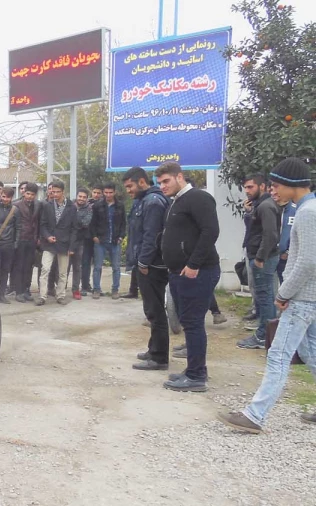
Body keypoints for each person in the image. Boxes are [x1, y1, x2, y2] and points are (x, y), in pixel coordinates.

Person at [218, 158, 316, 433]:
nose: (272, 190)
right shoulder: (307, 208)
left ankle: (255, 415)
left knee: (278, 355)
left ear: (292, 184)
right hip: (309, 297)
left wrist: (284, 292)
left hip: (302, 299)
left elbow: (308, 261)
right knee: (311, 352)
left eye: (276, 185)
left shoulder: (308, 212)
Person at [156, 161, 220, 393]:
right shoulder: (177, 202)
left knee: (193, 323)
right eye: (160, 183)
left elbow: (210, 231)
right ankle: (193, 369)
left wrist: (194, 264)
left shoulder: (198, 198)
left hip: (198, 272)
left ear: (179, 177)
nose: (162, 186)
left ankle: (196, 375)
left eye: (166, 181)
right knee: (188, 323)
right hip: (178, 273)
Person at [122, 167, 170, 371]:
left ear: (142, 182)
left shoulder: (153, 202)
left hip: (151, 266)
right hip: (144, 263)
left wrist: (143, 262)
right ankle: (154, 350)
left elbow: (152, 236)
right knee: (151, 310)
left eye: (130, 186)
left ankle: (159, 358)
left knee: (155, 311)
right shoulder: (142, 200)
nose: (128, 191)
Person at [237, 174, 281, 350]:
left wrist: (261, 258)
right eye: (245, 187)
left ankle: (264, 336)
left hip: (264, 257)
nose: (247, 191)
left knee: (265, 297)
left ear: (262, 186)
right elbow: (255, 230)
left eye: (250, 187)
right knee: (264, 296)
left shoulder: (266, 206)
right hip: (259, 255)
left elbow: (270, 235)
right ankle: (265, 333)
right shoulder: (259, 205)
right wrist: (248, 213)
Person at [37, 181, 78, 305]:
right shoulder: (48, 205)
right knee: (45, 269)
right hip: (49, 244)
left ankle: (60, 295)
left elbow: (74, 229)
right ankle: (42, 296)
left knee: (63, 272)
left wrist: (71, 247)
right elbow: (42, 224)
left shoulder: (71, 207)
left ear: (63, 192)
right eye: (52, 191)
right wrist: (48, 236)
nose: (54, 194)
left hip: (64, 244)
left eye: (57, 192)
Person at [91, 183, 126, 300]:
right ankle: (96, 289)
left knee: (116, 267)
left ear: (114, 192)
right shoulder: (97, 205)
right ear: (103, 192)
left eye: (110, 192)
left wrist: (121, 236)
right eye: (106, 192)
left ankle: (115, 290)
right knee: (97, 267)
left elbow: (123, 223)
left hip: (115, 241)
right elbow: (93, 223)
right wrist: (94, 236)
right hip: (100, 240)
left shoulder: (120, 206)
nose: (108, 195)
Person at [11, 183, 41, 302]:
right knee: (19, 266)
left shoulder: (38, 205)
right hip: (20, 239)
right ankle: (18, 292)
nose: (29, 196)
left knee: (29, 266)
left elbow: (37, 222)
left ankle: (26, 290)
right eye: (28, 193)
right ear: (24, 193)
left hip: (32, 240)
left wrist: (37, 237)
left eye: (32, 194)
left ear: (35, 195)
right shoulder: (16, 205)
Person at [71, 188, 93, 300]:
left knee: (77, 267)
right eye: (80, 196)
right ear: (76, 196)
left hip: (79, 241)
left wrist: (73, 221)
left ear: (87, 198)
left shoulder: (89, 209)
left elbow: (85, 223)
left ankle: (75, 290)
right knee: (63, 267)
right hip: (67, 241)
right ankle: (61, 289)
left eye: (84, 197)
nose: (82, 199)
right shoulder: (69, 206)